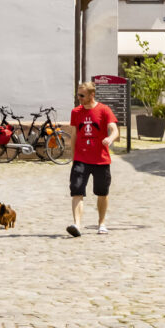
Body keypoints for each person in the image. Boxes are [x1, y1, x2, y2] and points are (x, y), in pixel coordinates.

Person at [66, 82, 115, 236]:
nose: (79, 98)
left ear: (91, 95)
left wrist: (110, 138)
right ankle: (77, 225)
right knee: (76, 190)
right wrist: (73, 157)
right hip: (81, 159)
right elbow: (74, 134)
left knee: (102, 193)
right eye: (78, 95)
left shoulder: (104, 110)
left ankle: (101, 223)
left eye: (82, 95)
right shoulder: (76, 112)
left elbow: (114, 129)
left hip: (101, 159)